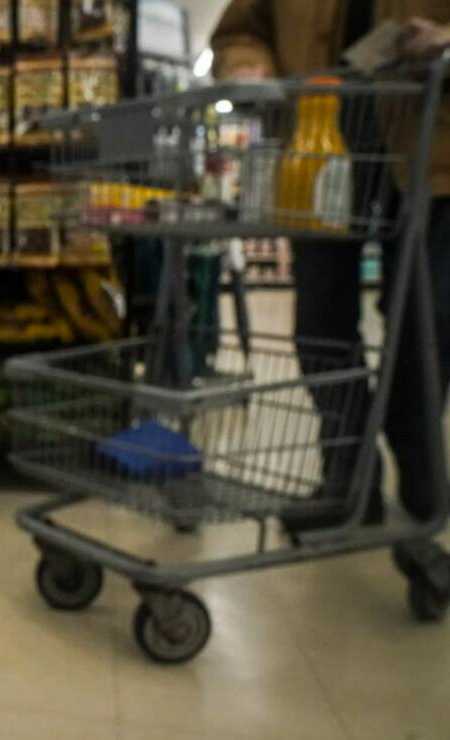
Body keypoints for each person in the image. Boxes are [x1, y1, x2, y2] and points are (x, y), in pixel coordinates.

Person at [211, 1, 450, 532]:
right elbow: (241, 31)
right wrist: (249, 64)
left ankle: (416, 451)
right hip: (316, 144)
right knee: (319, 322)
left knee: (427, 319)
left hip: (432, 141)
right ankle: (345, 477)